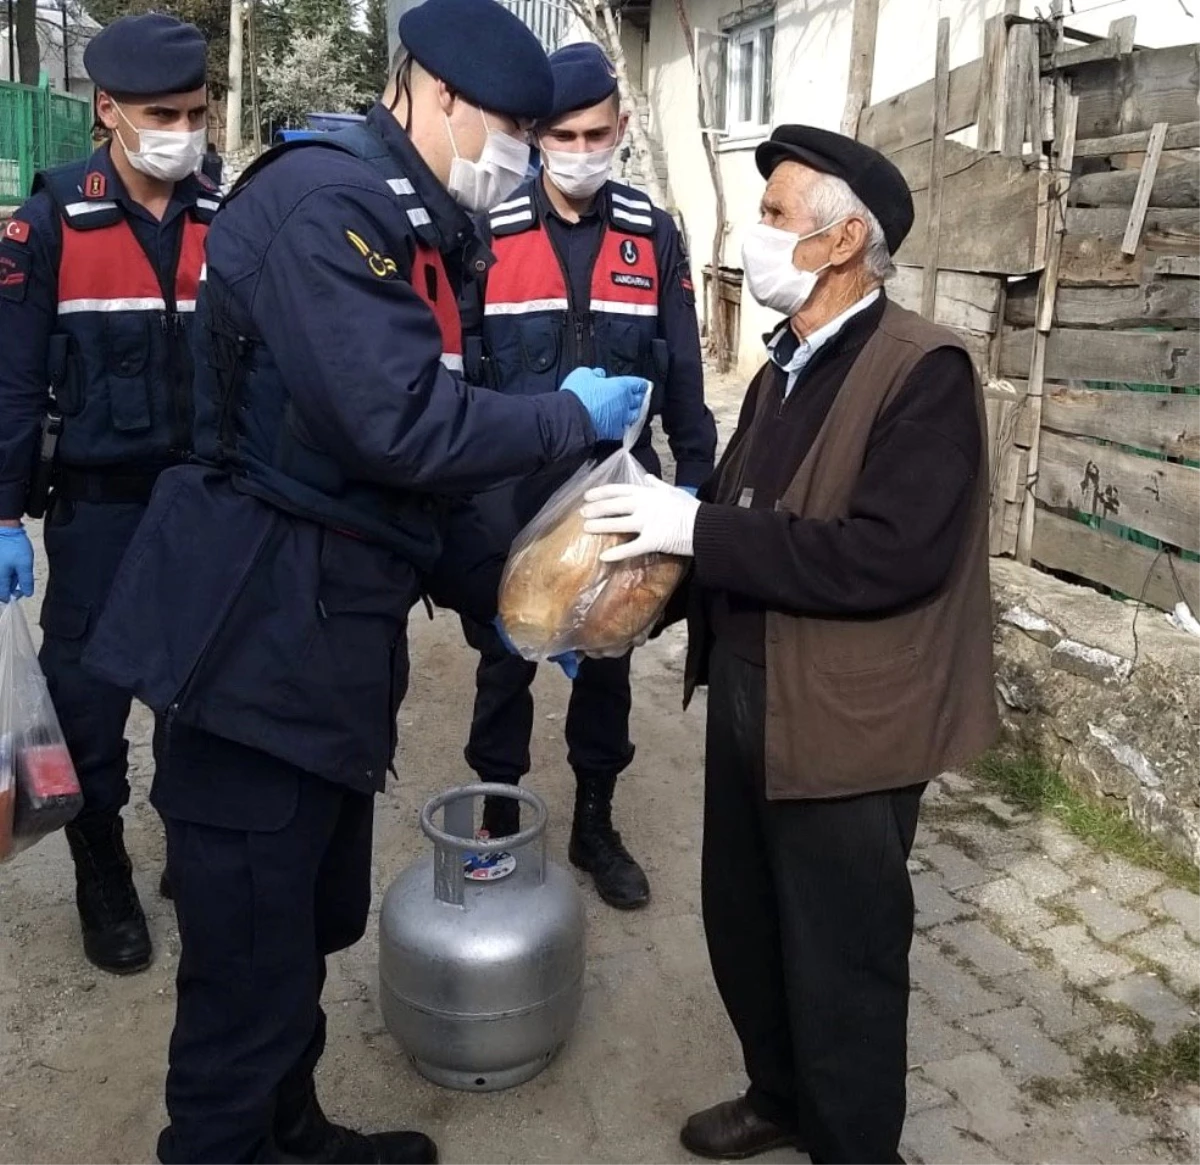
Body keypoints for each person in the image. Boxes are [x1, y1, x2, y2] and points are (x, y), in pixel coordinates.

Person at [81, 1, 648, 1162]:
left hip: (325, 640)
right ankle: (234, 1141)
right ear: (436, 94)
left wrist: (514, 607)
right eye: (513, 129)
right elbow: (400, 427)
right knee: (243, 967)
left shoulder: (418, 226)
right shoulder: (323, 207)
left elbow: (400, 486)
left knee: (304, 927)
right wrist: (563, 414)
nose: (527, 158)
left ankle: (293, 1134)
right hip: (251, 645)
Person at [582, 125, 998, 1165]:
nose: (754, 234)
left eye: (775, 216)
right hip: (752, 695)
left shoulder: (925, 371)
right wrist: (631, 602)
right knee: (749, 921)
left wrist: (700, 528)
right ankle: (781, 1096)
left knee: (844, 955)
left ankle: (856, 1146)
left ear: (844, 240)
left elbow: (886, 558)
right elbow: (738, 520)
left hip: (851, 721)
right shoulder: (781, 370)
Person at [460, 42, 716, 909]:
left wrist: (696, 487)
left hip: (616, 499)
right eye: (561, 135)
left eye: (595, 133)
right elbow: (456, 379)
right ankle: (496, 822)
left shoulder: (653, 233)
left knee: (607, 664)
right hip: (511, 497)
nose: (580, 150)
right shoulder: (486, 233)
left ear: (622, 128)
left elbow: (683, 373)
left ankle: (594, 823)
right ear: (535, 136)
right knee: (504, 668)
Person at [0, 13, 219, 976]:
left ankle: (187, 843)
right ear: (109, 112)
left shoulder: (226, 216)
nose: (182, 128)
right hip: (97, 509)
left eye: (196, 110)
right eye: (160, 112)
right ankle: (102, 869)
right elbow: (8, 381)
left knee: (198, 689)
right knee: (88, 701)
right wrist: (2, 513)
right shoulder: (46, 222)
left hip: (204, 502)